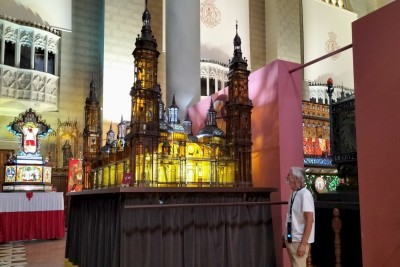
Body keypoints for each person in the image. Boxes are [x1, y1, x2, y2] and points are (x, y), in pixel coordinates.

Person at [285, 166, 315, 267]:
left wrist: (303, 244)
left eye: (290, 175)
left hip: (299, 241)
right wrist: (286, 234)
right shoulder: (293, 193)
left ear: (297, 178)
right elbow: (291, 217)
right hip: (291, 239)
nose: (287, 177)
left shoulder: (305, 194)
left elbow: (310, 220)